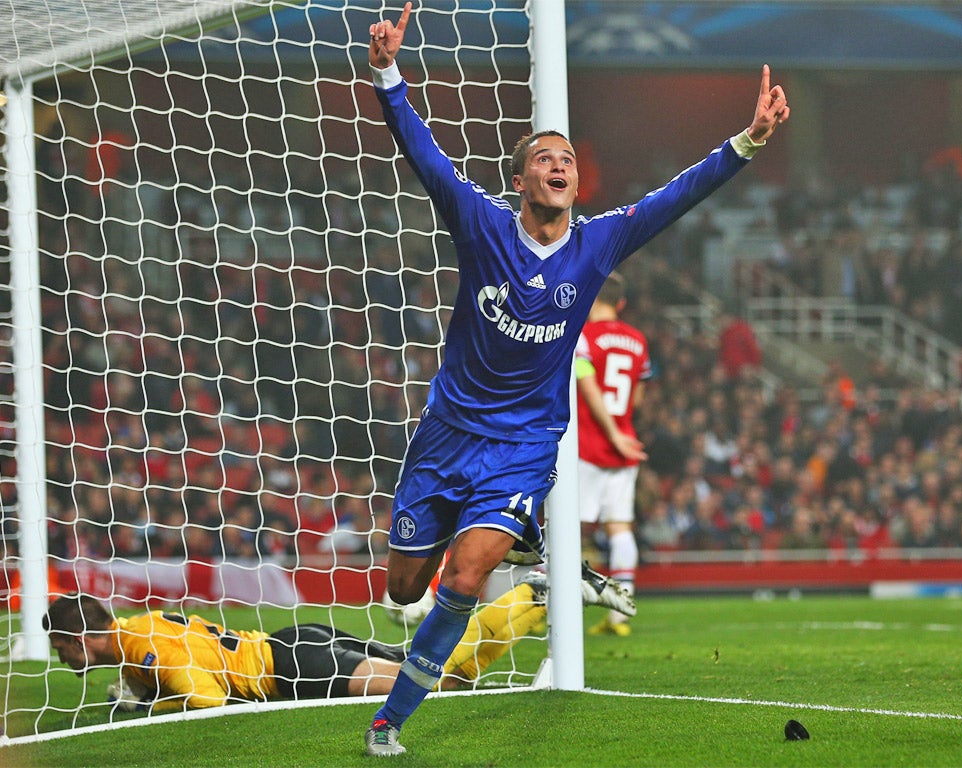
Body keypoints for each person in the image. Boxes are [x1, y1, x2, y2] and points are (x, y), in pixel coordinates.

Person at [365, 2, 789, 756]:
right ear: (521, 177)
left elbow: (674, 196)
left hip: (525, 442)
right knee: (404, 588)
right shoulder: (482, 225)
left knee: (463, 580)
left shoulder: (598, 244)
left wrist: (748, 142)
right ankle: (507, 550)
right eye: (544, 158)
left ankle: (388, 722)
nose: (559, 165)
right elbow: (426, 158)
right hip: (447, 432)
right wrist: (390, 74)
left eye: (566, 159)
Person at [43, 570, 635, 712]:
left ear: (78, 638)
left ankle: (534, 595)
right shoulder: (133, 635)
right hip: (296, 645)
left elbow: (206, 702)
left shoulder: (148, 649)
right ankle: (533, 596)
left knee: (437, 680)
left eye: (59, 648)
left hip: (297, 666)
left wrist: (152, 704)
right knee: (434, 671)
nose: (59, 659)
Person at [575, 271, 650, 637]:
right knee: (620, 528)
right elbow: (636, 395)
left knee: (567, 527)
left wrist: (609, 433)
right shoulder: (638, 340)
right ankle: (621, 616)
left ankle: (546, 605)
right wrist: (621, 431)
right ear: (621, 304)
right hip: (626, 443)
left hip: (588, 443)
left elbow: (587, 386)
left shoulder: (584, 337)